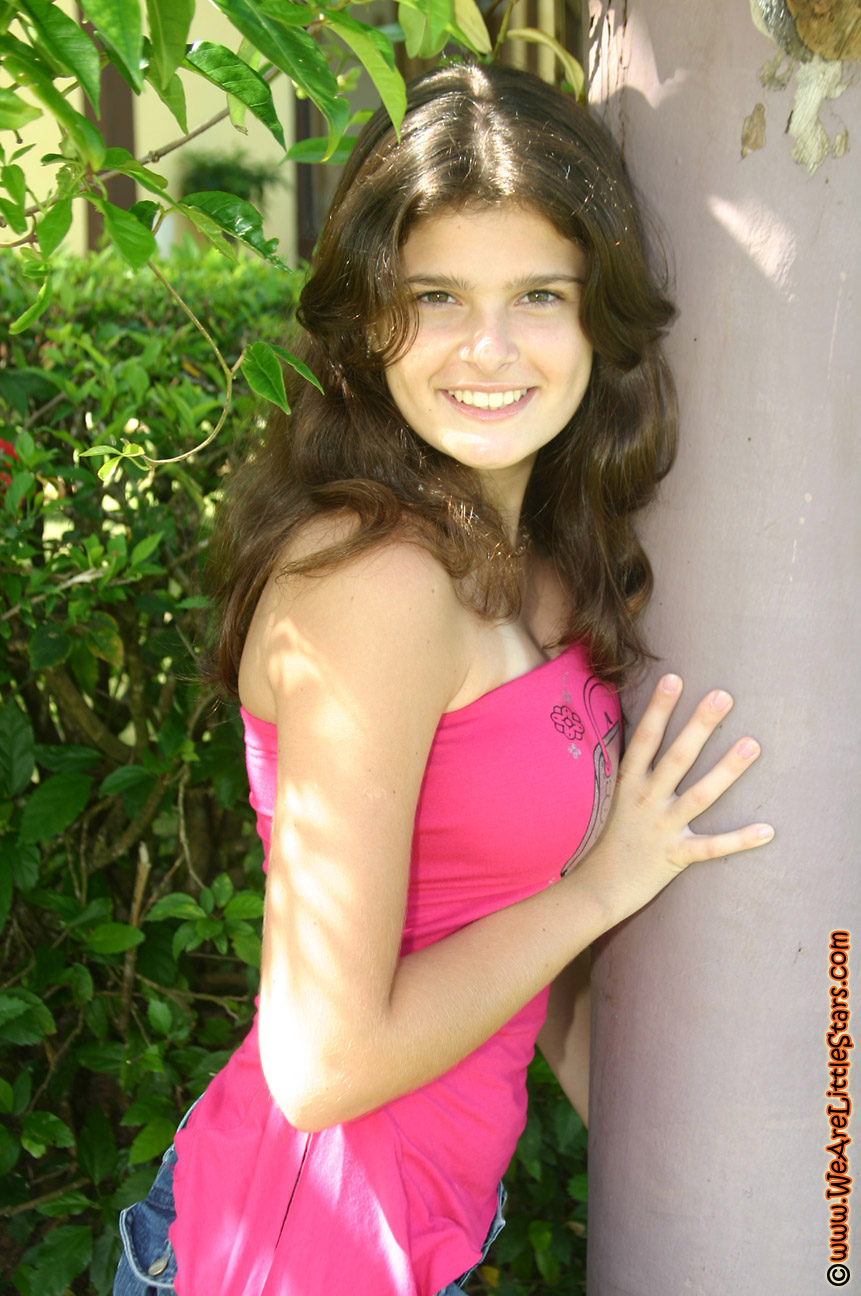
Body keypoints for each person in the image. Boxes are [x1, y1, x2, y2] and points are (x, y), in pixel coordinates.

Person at [114, 60, 774, 1296]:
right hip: (292, 1262)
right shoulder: (373, 586)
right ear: (371, 318)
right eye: (436, 297)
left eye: (538, 295)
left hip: (424, 1244)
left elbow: (518, 930)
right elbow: (319, 1064)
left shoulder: (547, 569)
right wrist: (599, 889)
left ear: (598, 318)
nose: (488, 349)